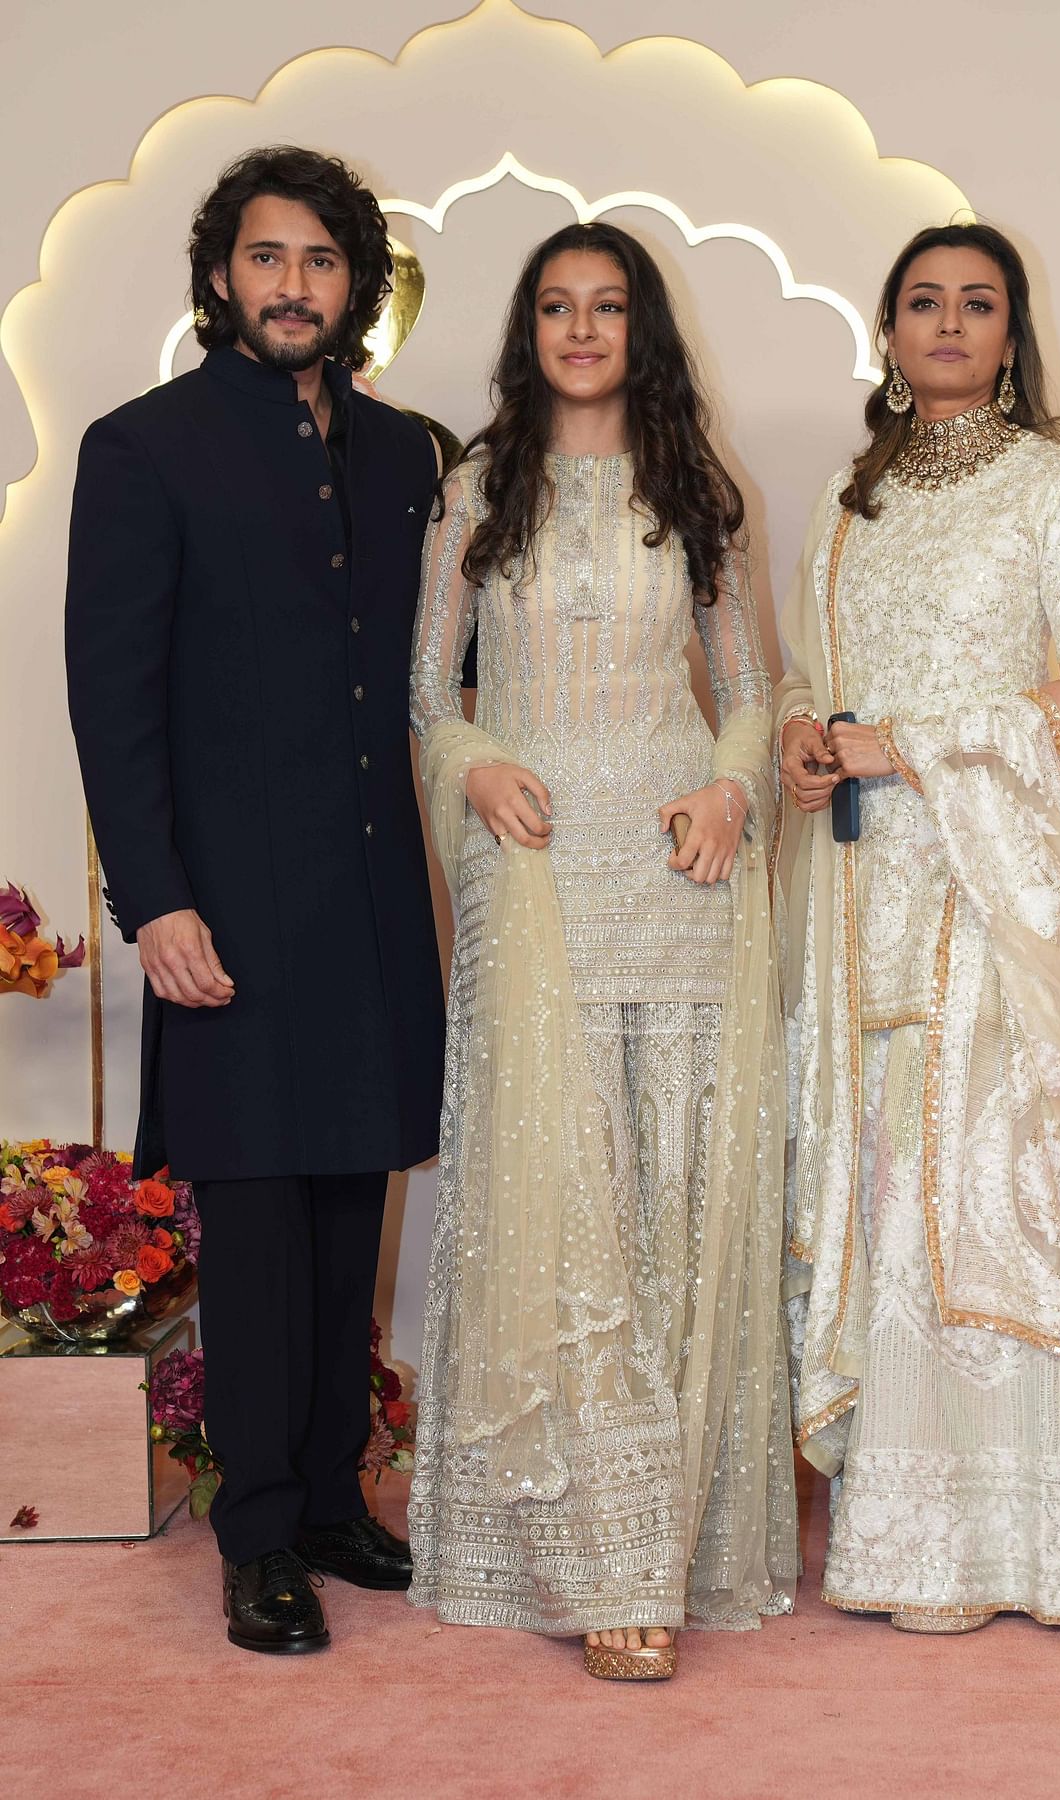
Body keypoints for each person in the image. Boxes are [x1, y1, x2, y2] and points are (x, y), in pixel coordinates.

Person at [65, 146, 448, 1654]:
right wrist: (153, 899)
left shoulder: (410, 452)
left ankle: (341, 1503)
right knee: (254, 1219)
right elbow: (116, 702)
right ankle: (260, 1534)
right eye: (268, 258)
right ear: (224, 274)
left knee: (351, 1206)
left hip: (371, 902)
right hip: (223, 908)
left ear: (360, 286)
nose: (295, 286)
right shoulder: (143, 446)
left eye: (323, 262)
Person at [408, 221, 797, 1681]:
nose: (583, 329)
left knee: (668, 1197)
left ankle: (670, 1540)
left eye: (608, 306)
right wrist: (472, 763)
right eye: (558, 307)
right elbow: (426, 689)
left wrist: (729, 786)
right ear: (529, 330)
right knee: (557, 1199)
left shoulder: (700, 491)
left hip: (675, 862)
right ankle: (588, 1550)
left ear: (644, 328)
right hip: (535, 858)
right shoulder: (471, 491)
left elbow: (753, 690)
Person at [774, 222, 1060, 1631]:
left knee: (983, 1187)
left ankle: (1010, 1548)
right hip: (862, 885)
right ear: (887, 328)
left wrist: (905, 744)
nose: (948, 323)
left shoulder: (1059, 483)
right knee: (877, 1183)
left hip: (994, 885)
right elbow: (821, 677)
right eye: (923, 301)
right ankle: (897, 1528)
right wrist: (811, 741)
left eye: (976, 303)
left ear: (1009, 330)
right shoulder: (847, 498)